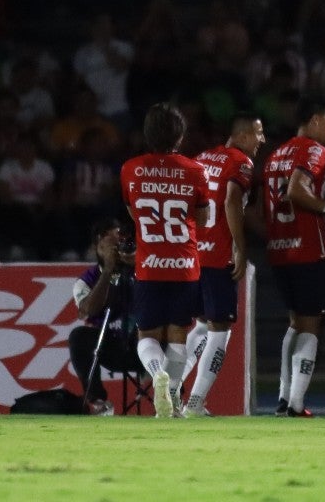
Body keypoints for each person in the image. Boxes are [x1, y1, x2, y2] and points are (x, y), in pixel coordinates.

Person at [263, 96, 325, 417]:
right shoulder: (312, 150)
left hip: (279, 250)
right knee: (310, 326)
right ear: (315, 120)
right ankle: (297, 404)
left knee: (295, 323)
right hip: (308, 250)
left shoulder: (277, 154)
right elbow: (296, 190)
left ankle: (283, 397)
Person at [120, 103, 210, 418]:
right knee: (178, 334)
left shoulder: (130, 168)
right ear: (180, 136)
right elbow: (203, 217)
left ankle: (157, 374)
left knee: (147, 334)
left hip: (149, 265)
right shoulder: (195, 170)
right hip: (185, 266)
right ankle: (170, 390)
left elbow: (134, 214)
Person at [180, 112, 266, 417]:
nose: (262, 139)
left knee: (201, 324)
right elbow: (231, 200)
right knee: (221, 328)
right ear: (242, 136)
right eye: (258, 133)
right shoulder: (241, 163)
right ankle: (195, 402)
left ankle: (172, 389)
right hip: (217, 255)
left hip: (191, 254)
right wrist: (241, 248)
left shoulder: (200, 159)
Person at [67, 219, 141, 416]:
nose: (116, 248)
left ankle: (173, 397)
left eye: (120, 241)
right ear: (97, 247)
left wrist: (136, 263)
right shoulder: (86, 280)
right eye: (109, 244)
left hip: (143, 342)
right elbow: (89, 310)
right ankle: (98, 401)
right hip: (110, 347)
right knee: (78, 337)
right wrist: (108, 271)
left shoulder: (142, 267)